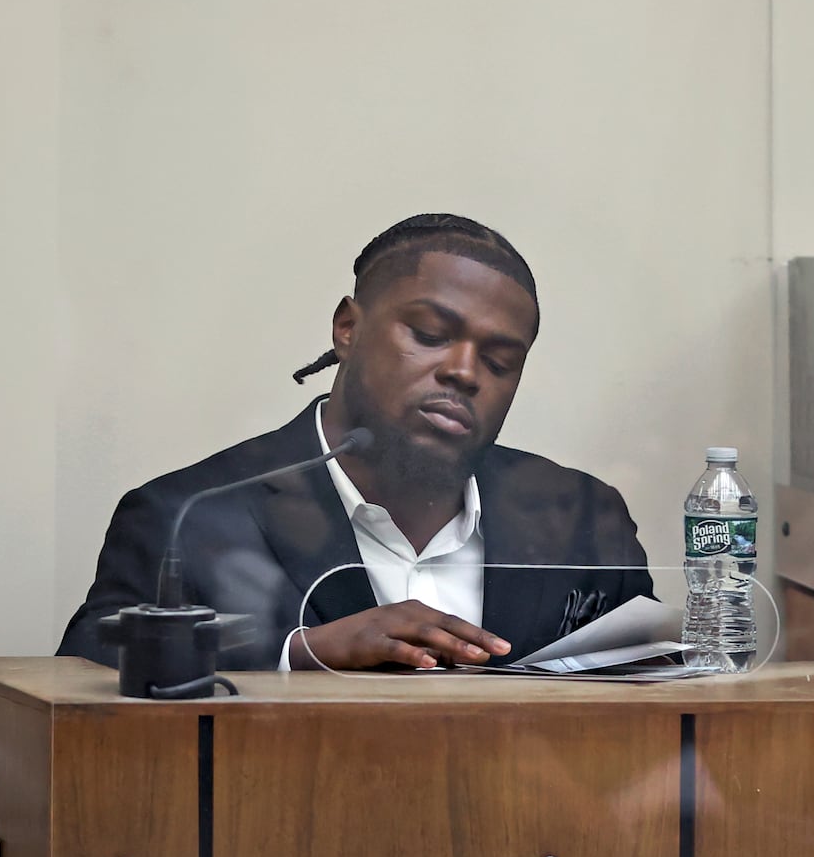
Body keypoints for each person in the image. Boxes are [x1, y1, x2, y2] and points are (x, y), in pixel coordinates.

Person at [59, 213, 652, 672]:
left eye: (500, 362)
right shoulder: (191, 516)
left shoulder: (580, 518)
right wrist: (301, 653)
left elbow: (656, 694)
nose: (465, 373)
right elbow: (87, 673)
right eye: (429, 334)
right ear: (348, 327)